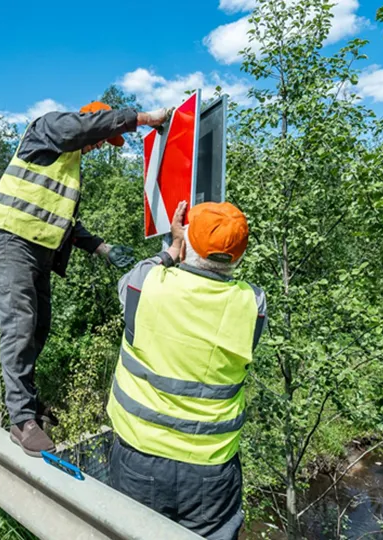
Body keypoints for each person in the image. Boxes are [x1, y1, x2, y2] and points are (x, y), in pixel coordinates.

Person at [0, 101, 174, 456]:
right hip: (11, 237)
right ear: (89, 122)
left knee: (39, 327)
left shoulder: (69, 169)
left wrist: (103, 248)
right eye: (102, 138)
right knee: (20, 324)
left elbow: (64, 220)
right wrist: (144, 119)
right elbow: (80, 128)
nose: (100, 145)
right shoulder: (47, 130)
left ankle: (31, 406)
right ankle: (21, 420)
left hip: (39, 247)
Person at [107, 200, 267, 539]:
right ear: (239, 255)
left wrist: (174, 247)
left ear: (189, 241)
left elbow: (133, 279)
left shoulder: (146, 283)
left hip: (140, 453)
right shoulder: (253, 303)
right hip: (211, 465)